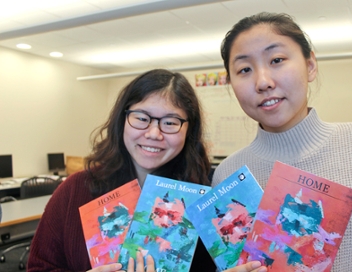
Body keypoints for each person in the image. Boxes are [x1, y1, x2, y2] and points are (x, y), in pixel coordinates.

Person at [212, 12, 352, 271]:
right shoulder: (229, 173)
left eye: (277, 60)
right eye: (244, 69)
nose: (263, 82)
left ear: (310, 65)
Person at [27, 69, 217, 272]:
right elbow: (39, 267)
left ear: (189, 131)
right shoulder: (75, 189)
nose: (154, 134)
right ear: (122, 120)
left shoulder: (205, 202)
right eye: (142, 118)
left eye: (170, 123)